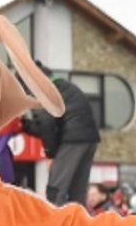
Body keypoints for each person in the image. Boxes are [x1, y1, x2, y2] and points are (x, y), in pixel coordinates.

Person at [20, 70, 101, 206]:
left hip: (72, 140)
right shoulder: (61, 86)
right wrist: (25, 125)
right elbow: (50, 125)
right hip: (88, 137)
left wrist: (50, 154)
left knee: (55, 189)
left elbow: (46, 123)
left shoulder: (37, 87)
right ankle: (78, 224)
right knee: (77, 192)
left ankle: (55, 224)